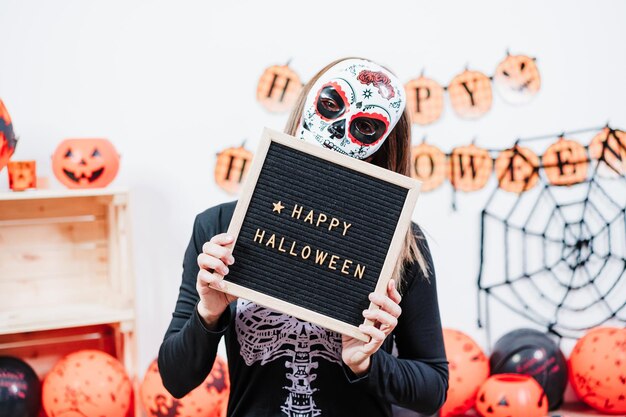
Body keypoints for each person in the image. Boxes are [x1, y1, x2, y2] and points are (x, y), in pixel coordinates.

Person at [158, 58, 449, 417]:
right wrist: (209, 311)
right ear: (303, 109)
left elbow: (433, 387)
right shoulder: (219, 226)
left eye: (366, 126)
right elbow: (175, 379)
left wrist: (369, 364)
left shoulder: (402, 245)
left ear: (382, 144)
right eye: (330, 105)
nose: (338, 131)